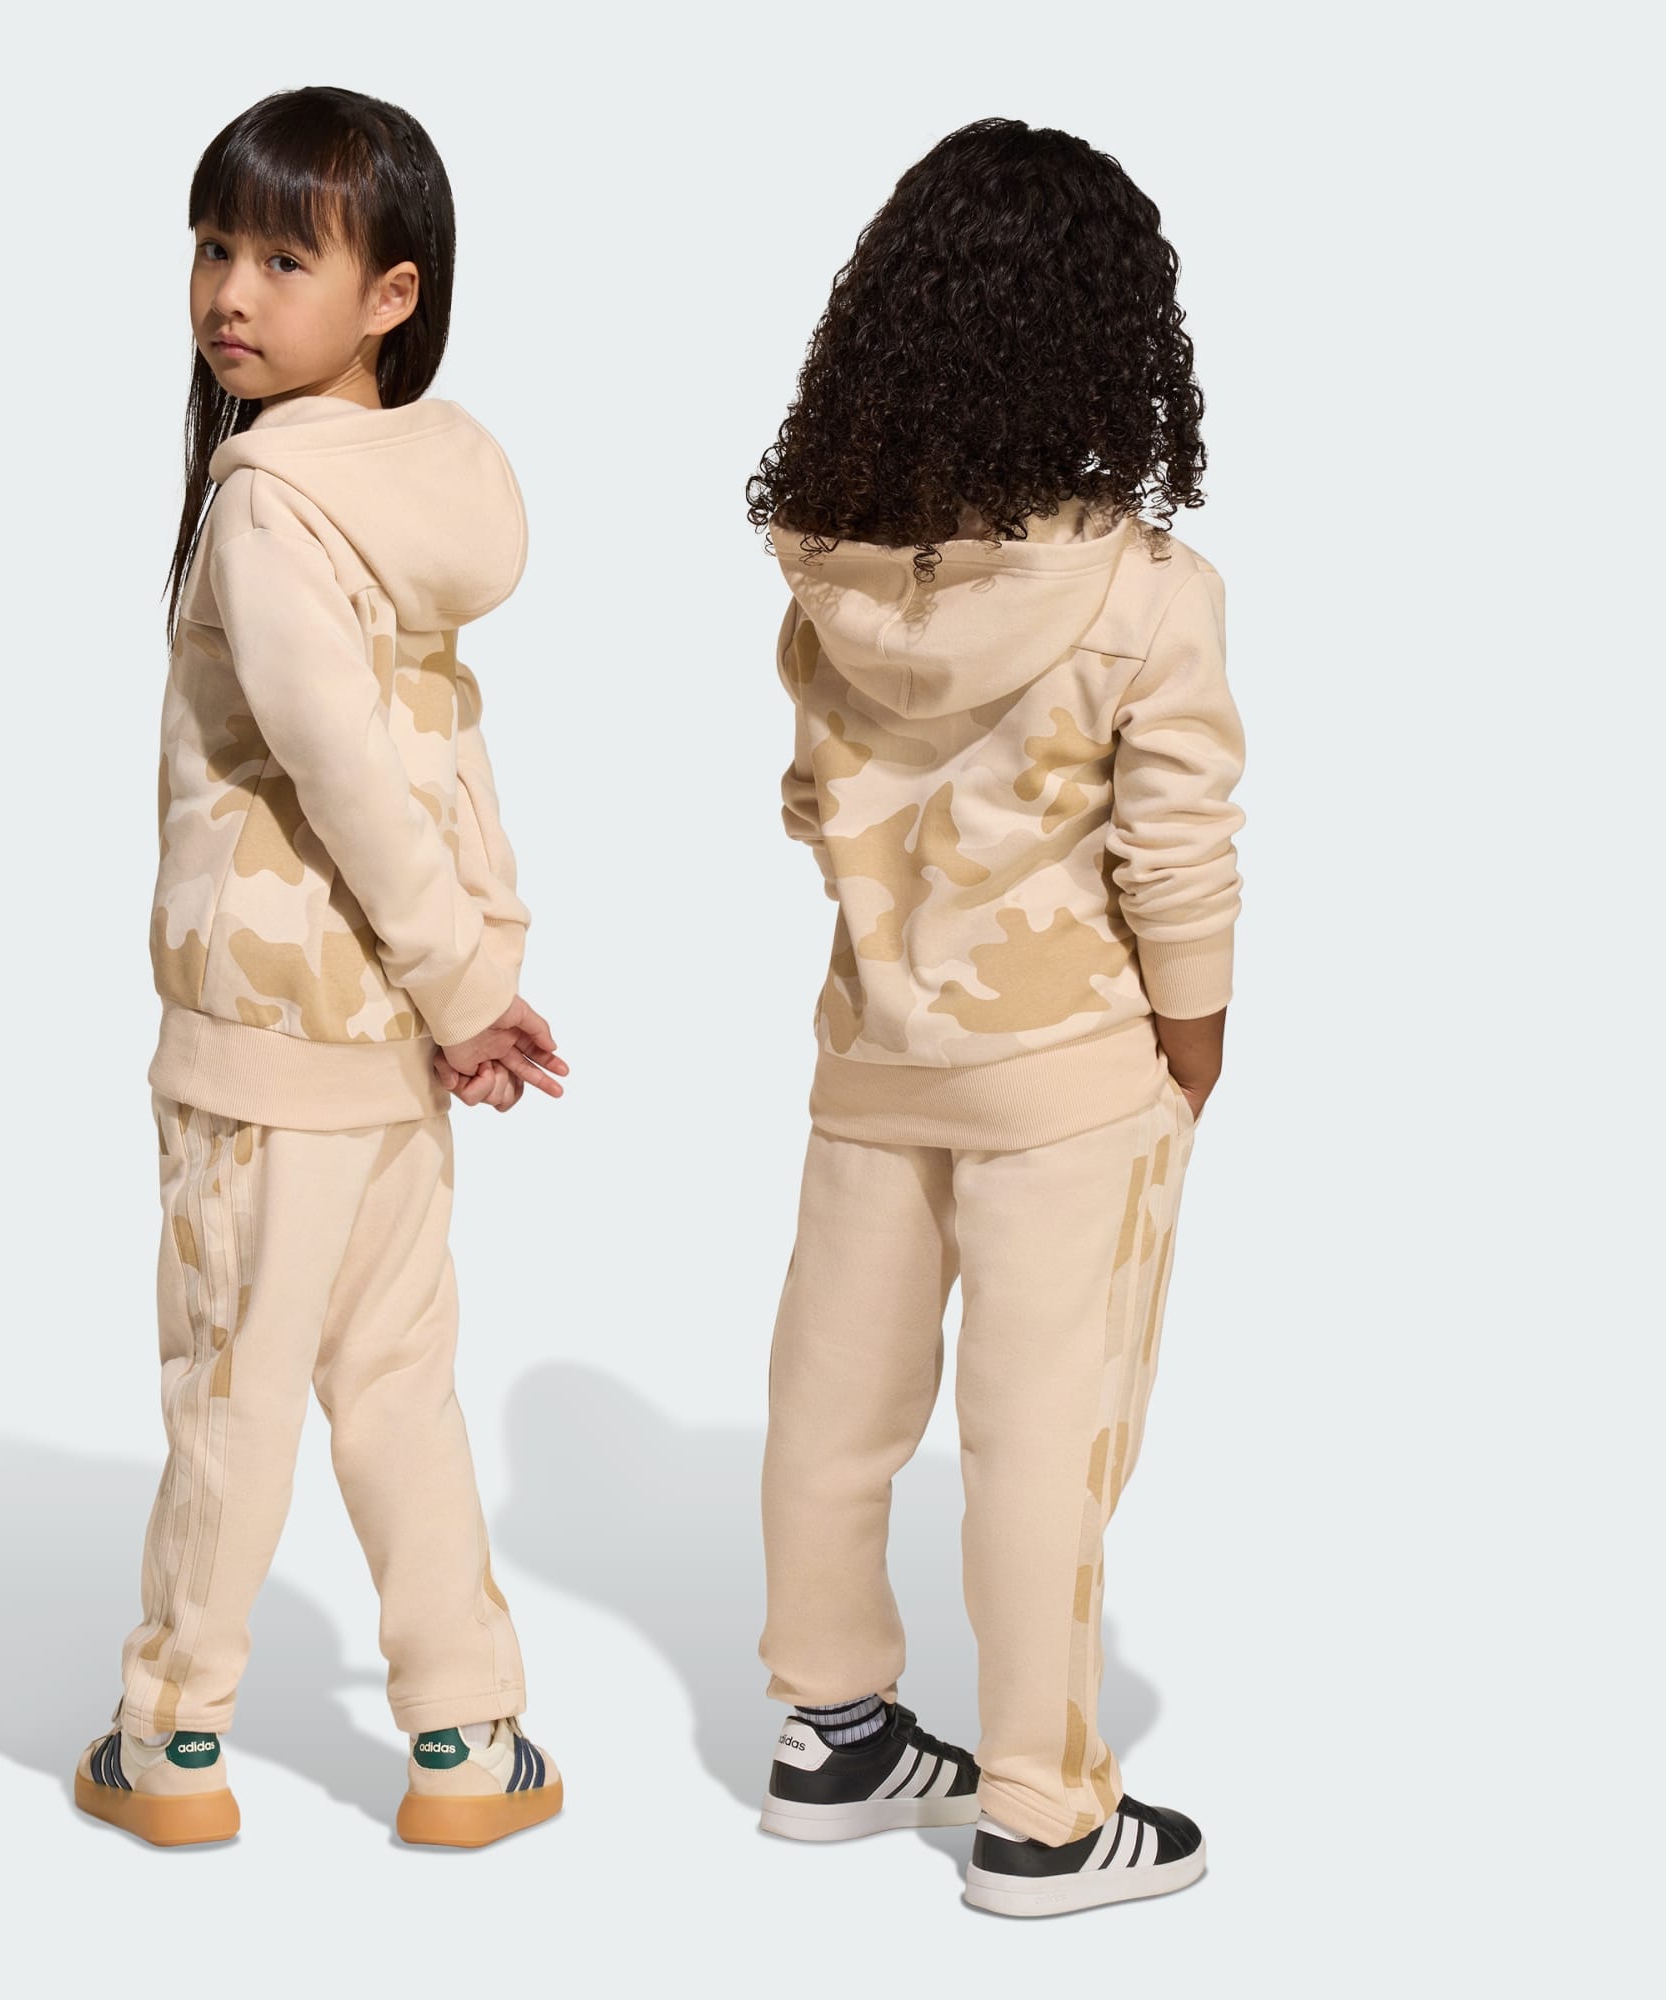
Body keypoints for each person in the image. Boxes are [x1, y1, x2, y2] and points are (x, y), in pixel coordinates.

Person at [748, 118, 1245, 1917]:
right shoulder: (1144, 597)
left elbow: (812, 806)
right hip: (1067, 1082)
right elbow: (1178, 849)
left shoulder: (832, 579)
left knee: (836, 1403)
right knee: (1046, 1436)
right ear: (1111, 341)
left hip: (875, 1062)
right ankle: (1042, 1810)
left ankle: (832, 1733)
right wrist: (1193, 1038)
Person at [73, 87, 567, 1850]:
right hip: (387, 1046)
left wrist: (466, 992)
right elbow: (447, 761)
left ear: (390, 297)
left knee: (236, 1392)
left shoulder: (271, 501)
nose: (231, 290)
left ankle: (171, 1745)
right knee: (399, 1395)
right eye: (215, 247)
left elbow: (348, 768)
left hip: (273, 1050)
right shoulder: (415, 495)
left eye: (287, 258)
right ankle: (466, 1744)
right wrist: (472, 976)